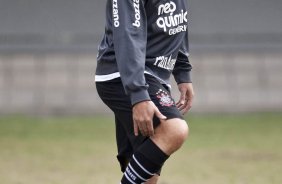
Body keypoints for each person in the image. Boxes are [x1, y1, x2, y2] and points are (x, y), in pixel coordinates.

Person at [95, 0, 194, 183]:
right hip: (125, 74)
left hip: (149, 76)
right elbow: (127, 33)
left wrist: (183, 71)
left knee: (148, 176)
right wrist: (138, 94)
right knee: (173, 130)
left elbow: (176, 21)